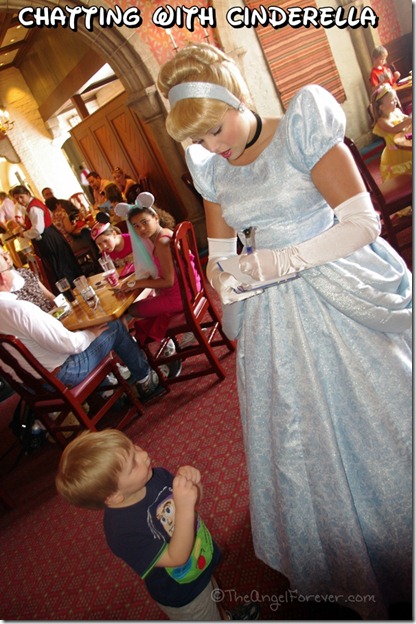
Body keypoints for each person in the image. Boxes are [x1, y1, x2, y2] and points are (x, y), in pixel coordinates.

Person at [157, 43, 412, 619]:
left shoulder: (300, 125)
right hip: (275, 317)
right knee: (300, 432)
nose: (213, 147)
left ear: (236, 97)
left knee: (375, 413)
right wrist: (225, 275)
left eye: (216, 129)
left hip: (338, 282)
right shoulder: (213, 168)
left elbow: (362, 223)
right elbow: (220, 251)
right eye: (198, 141)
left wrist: (279, 263)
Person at [55, 428, 260, 621]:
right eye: (133, 464)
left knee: (214, 598)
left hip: (201, 561)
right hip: (183, 593)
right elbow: (176, 557)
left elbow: (194, 500)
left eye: (134, 446)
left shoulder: (156, 477)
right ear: (115, 496)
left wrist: (193, 483)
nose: (143, 455)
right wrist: (185, 508)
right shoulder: (121, 533)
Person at [0, 253, 164, 402]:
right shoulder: (19, 309)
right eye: (8, 268)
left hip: (31, 385)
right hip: (61, 376)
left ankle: (107, 391)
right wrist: (91, 333)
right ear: (2, 278)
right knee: (112, 326)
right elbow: (71, 345)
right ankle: (146, 380)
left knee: (82, 336)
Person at [122, 193, 200, 347]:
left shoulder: (162, 243)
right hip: (192, 285)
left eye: (145, 222)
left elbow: (168, 281)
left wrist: (137, 283)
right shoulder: (165, 233)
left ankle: (163, 347)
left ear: (156, 217)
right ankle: (170, 341)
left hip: (181, 297)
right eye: (136, 226)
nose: (141, 228)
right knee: (148, 298)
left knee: (132, 310)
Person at [10, 185, 83, 290]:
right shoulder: (34, 203)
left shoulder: (33, 207)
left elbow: (38, 229)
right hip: (51, 235)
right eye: (17, 199)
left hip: (48, 239)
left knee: (60, 266)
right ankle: (73, 289)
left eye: (21, 197)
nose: (20, 200)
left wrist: (24, 234)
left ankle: (72, 290)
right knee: (62, 264)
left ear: (27, 194)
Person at [370, 83, 412, 182]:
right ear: (382, 107)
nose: (396, 102)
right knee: (403, 177)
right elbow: (394, 129)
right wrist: (408, 120)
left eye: (395, 99)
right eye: (392, 101)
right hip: (396, 154)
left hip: (407, 146)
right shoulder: (382, 121)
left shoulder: (396, 112)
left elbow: (407, 120)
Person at [0, 247, 55, 312]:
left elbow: (50, 296)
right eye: (1, 257)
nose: (6, 258)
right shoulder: (4, 291)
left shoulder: (25, 273)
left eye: (5, 253)